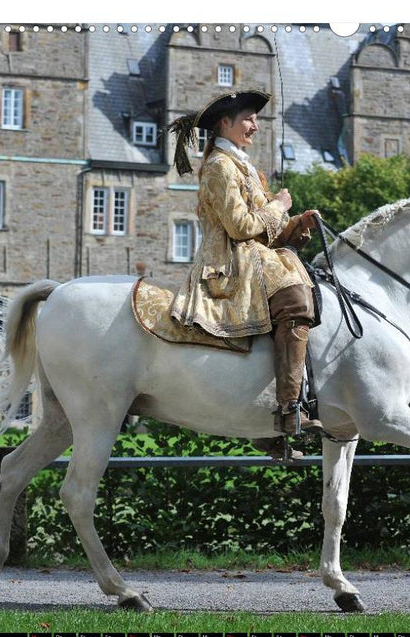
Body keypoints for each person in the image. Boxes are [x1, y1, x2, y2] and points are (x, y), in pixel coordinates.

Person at [168, 90, 323, 454]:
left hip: (256, 256)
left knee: (310, 290)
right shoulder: (220, 166)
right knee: (296, 299)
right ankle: (289, 410)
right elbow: (239, 227)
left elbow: (268, 233)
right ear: (226, 123)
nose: (255, 126)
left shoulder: (245, 167)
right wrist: (279, 205)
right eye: (248, 119)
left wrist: (297, 222)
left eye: (254, 119)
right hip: (229, 263)